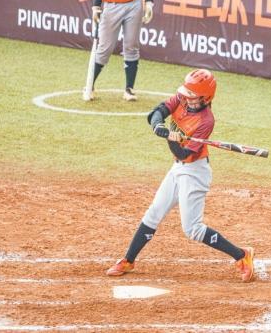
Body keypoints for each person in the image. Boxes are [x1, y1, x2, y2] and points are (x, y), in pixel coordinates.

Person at [105, 69, 256, 282]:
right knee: (154, 212)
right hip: (178, 169)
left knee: (192, 229)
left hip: (194, 172)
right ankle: (129, 260)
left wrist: (172, 140)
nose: (187, 99)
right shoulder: (182, 99)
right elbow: (157, 111)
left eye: (192, 97)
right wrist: (159, 126)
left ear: (205, 98)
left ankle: (242, 256)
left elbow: (184, 155)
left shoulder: (206, 121)